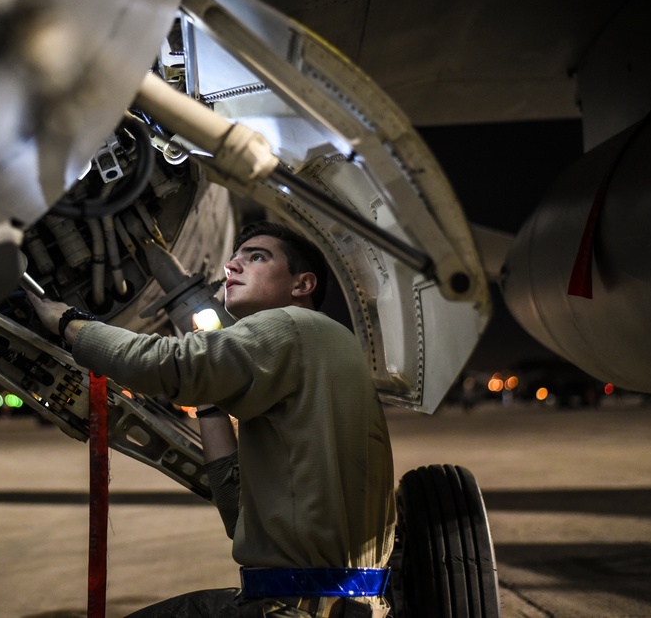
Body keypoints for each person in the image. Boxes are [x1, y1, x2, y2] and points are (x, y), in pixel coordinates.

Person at [28, 221, 395, 617]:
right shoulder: (320, 346)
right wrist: (209, 399)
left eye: (256, 257)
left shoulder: (291, 323)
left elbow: (160, 365)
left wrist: (68, 322)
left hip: (295, 605)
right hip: (333, 602)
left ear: (302, 285)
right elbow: (238, 514)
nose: (232, 266)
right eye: (234, 257)